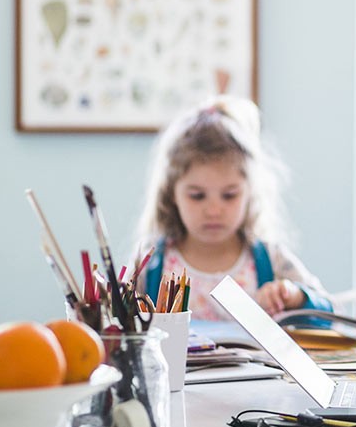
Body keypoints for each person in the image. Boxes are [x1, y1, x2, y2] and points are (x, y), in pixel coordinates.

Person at [133, 95, 333, 320]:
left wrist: (295, 297)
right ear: (171, 194)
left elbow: (330, 314)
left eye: (229, 195)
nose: (214, 210)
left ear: (250, 193)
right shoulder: (150, 264)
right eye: (197, 196)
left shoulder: (271, 259)